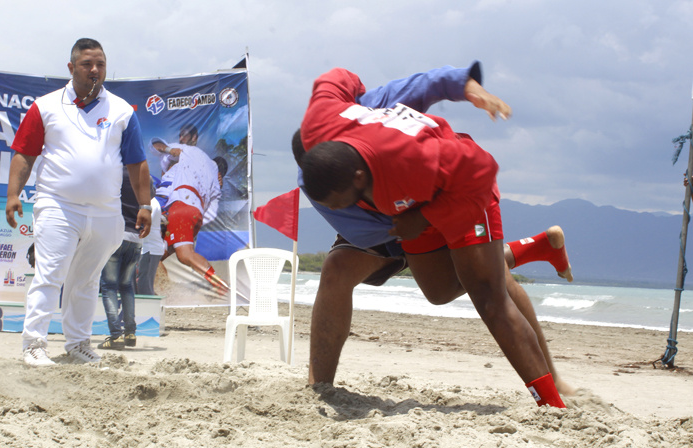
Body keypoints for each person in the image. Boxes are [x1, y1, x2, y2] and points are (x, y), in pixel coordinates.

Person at [292, 62, 574, 397]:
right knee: (433, 291)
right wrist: (403, 227)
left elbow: (477, 167)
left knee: (489, 290)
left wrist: (470, 87)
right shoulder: (322, 148)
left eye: (339, 201)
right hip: (394, 221)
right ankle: (319, 389)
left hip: (455, 192)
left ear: (355, 174)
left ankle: (552, 389)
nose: (334, 207)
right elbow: (337, 77)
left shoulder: (399, 143)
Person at [5, 38, 151, 366]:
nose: (95, 70)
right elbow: (24, 153)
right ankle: (33, 345)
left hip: (105, 212)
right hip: (58, 206)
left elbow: (136, 162)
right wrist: (13, 194)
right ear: (71, 68)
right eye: (87, 64)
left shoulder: (122, 111)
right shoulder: (45, 106)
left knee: (87, 280)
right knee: (50, 275)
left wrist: (144, 205)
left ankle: (79, 344)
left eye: (101, 64)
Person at [152, 134, 229, 294]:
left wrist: (169, 149)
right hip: (194, 215)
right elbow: (210, 214)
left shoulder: (192, 154)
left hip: (178, 207)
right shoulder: (216, 184)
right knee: (152, 257)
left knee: (184, 255)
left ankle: (222, 288)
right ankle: (165, 292)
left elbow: (155, 145)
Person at [97, 168, 151, 350]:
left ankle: (115, 336)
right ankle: (130, 333)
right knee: (127, 286)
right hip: (136, 238)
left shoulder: (112, 173)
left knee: (109, 286)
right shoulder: (145, 176)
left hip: (115, 235)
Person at [135, 195, 165, 296]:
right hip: (148, 247)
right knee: (142, 284)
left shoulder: (151, 203)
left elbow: (142, 224)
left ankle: (149, 305)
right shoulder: (150, 202)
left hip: (150, 248)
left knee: (144, 286)